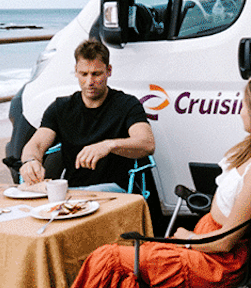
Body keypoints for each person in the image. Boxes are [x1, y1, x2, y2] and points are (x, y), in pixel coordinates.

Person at [70, 60, 251, 288]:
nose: (240, 112)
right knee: (122, 268)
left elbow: (225, 242)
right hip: (205, 244)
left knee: (108, 258)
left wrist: (187, 238)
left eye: (244, 106)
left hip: (213, 261)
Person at [19, 38, 156, 192]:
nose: (90, 81)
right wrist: (30, 161)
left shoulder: (127, 104)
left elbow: (147, 143)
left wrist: (108, 145)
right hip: (74, 192)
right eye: (84, 74)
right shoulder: (61, 107)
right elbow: (36, 144)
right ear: (76, 71)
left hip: (115, 191)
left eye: (96, 74)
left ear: (108, 71)